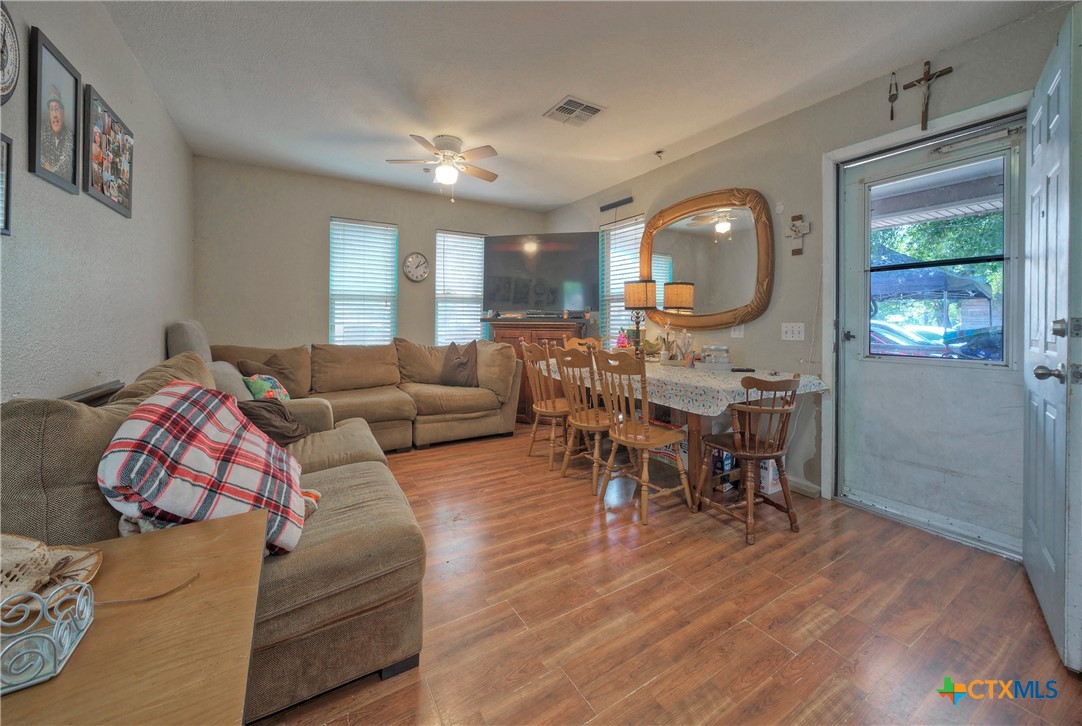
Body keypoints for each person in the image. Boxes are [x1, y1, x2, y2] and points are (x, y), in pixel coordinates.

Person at [39, 84, 74, 179]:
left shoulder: (69, 134)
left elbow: (67, 159)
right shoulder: (44, 130)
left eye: (57, 109)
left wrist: (51, 173)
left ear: (62, 113)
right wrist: (45, 162)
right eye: (51, 109)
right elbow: (37, 150)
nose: (54, 114)